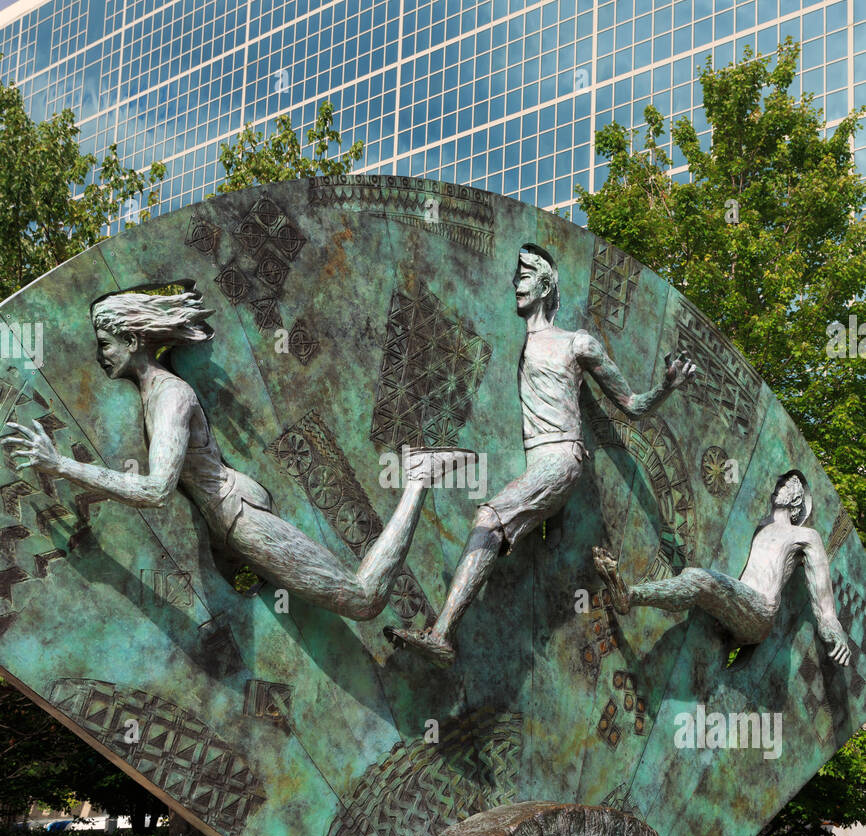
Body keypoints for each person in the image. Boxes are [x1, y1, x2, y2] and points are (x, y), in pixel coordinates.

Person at [5, 287, 472, 621]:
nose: (100, 354)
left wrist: (60, 465)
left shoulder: (171, 396)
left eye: (105, 344)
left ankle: (418, 478)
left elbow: (154, 491)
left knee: (363, 600)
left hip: (240, 519)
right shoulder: (150, 394)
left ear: (132, 341)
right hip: (226, 528)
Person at [385, 242, 696, 665]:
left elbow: (632, 405)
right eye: (517, 274)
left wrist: (667, 386)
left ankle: (442, 635)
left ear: (546, 284)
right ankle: (446, 632)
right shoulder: (526, 345)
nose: (516, 282)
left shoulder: (577, 343)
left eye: (526, 273)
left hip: (561, 461)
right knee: (493, 527)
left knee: (489, 517)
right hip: (541, 465)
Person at [592, 471, 850, 664]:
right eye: (779, 482)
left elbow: (824, 605)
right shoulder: (757, 525)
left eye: (785, 485)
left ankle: (630, 596)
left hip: (760, 611)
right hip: (735, 601)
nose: (778, 485)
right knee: (699, 586)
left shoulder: (805, 536)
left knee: (697, 579)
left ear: (796, 500)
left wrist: (833, 632)